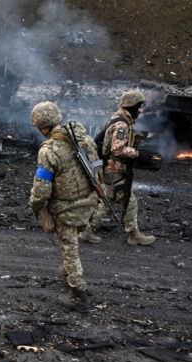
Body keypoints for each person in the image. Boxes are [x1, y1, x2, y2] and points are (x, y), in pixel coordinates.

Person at [29, 101, 98, 313]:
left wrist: (35, 206)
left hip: (67, 209)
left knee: (69, 250)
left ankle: (79, 295)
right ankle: (69, 274)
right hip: (89, 202)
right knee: (73, 243)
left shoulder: (48, 150)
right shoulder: (84, 139)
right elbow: (97, 170)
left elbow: (41, 189)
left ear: (43, 127)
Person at [79, 90, 155, 246]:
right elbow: (117, 149)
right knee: (127, 201)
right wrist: (137, 154)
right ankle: (134, 235)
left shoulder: (116, 118)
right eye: (140, 107)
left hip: (110, 169)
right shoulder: (122, 125)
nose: (141, 111)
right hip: (115, 170)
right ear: (133, 106)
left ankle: (86, 230)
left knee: (109, 200)